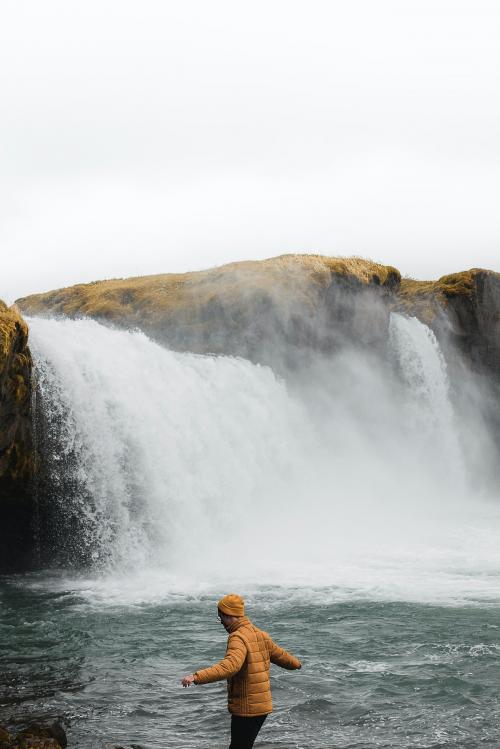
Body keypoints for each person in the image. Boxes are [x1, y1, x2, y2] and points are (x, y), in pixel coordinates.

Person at [181, 593, 302, 749]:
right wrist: (297, 664)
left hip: (247, 707)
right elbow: (281, 656)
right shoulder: (260, 634)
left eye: (221, 618)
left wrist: (196, 677)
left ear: (230, 616)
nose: (222, 623)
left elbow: (230, 666)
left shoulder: (237, 637)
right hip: (262, 707)